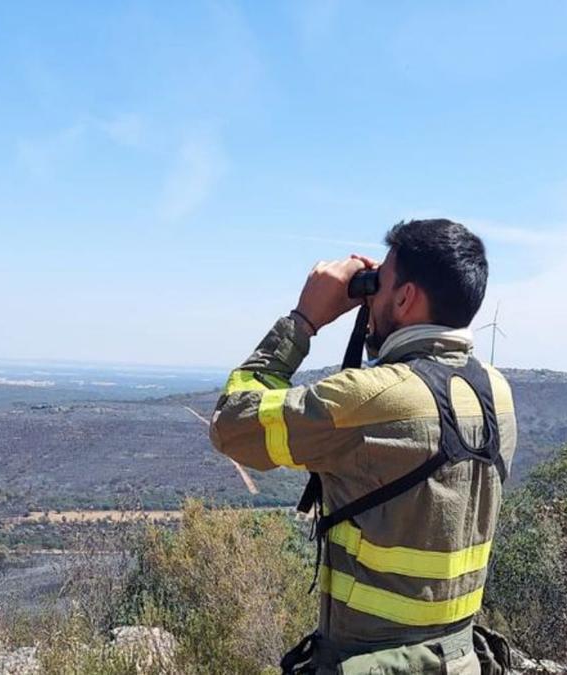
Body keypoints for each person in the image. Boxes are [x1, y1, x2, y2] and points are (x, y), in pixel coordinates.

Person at [209, 219, 517, 674]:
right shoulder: (497, 393)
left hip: (371, 662)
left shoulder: (371, 398)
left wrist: (304, 320)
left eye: (378, 284)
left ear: (406, 297)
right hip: (459, 660)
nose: (368, 298)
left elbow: (231, 423)